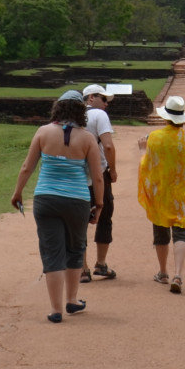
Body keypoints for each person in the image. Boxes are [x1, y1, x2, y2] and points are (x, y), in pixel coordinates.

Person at [11, 90, 102, 323]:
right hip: (77, 200)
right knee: (75, 249)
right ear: (81, 111)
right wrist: (99, 205)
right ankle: (72, 299)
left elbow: (27, 167)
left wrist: (18, 192)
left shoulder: (43, 132)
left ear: (58, 108)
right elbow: (97, 177)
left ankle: (55, 310)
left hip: (46, 199)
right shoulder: (87, 138)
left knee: (52, 253)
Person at [137, 94, 185, 294]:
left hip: (161, 193)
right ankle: (178, 274)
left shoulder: (155, 137)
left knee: (161, 231)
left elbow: (146, 165)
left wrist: (142, 150)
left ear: (166, 117)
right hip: (182, 194)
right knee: (181, 232)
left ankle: (163, 272)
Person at [80, 84, 118, 281]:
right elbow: (108, 146)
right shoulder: (99, 115)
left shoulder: (73, 115)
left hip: (77, 174)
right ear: (91, 98)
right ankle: (101, 263)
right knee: (104, 215)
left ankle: (83, 268)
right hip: (99, 174)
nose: (106, 104)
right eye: (103, 99)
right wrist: (113, 169)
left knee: (79, 220)